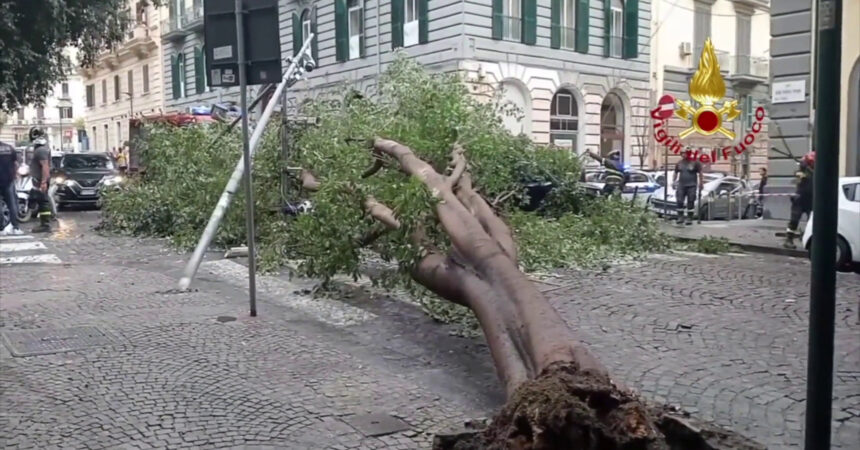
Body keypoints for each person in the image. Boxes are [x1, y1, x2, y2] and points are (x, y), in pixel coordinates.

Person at [783, 151, 815, 249]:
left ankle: (806, 236)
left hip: (811, 200)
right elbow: (797, 178)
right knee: (794, 221)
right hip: (799, 200)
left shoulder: (817, 171)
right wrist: (803, 173)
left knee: (813, 221)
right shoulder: (801, 172)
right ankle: (788, 240)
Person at [28, 127, 53, 233]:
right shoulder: (42, 149)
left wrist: (43, 182)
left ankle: (45, 224)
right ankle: (44, 223)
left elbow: (45, 166)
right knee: (40, 201)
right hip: (38, 180)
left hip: (40, 180)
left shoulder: (40, 150)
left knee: (43, 202)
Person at [673, 150, 704, 225]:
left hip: (692, 185)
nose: (684, 154)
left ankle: (689, 218)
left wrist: (701, 183)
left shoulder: (695, 162)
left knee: (691, 201)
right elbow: (676, 172)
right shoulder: (679, 163)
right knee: (679, 200)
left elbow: (700, 173)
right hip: (681, 185)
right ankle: (680, 217)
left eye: (686, 153)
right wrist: (673, 181)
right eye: (683, 153)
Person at [0, 140, 24, 235]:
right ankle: (15, 227)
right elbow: (15, 163)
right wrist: (14, 175)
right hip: (9, 180)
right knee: (12, 204)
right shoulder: (9, 148)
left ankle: (1, 228)